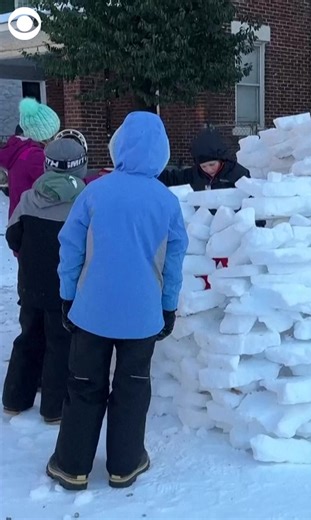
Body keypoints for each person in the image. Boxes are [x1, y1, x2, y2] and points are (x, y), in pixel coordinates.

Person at [46, 112, 188, 491]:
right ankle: (124, 465)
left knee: (83, 385)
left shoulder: (94, 191)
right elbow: (173, 262)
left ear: (119, 144)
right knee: (133, 387)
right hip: (142, 316)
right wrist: (168, 307)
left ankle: (71, 466)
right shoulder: (167, 202)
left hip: (91, 311)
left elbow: (71, 249)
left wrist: (66, 296)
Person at [2, 138, 88, 423]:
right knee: (59, 343)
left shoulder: (29, 197)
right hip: (63, 288)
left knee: (28, 338)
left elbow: (13, 235)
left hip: (30, 285)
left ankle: (15, 399)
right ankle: (53, 409)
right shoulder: (84, 201)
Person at [0, 98, 61, 218]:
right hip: (32, 222)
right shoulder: (35, 157)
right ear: (44, 135)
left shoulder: (21, 150)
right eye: (54, 134)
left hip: (20, 220)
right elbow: (56, 187)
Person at [158, 127, 249, 190]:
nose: (209, 169)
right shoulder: (195, 174)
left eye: (212, 164)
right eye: (204, 166)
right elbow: (172, 178)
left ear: (221, 160)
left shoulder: (237, 173)